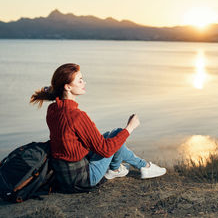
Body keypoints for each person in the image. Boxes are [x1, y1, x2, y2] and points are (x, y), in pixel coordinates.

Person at [30, 63, 166, 193]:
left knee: (110, 136)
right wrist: (130, 128)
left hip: (63, 177)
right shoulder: (76, 116)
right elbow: (105, 150)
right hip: (82, 180)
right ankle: (142, 167)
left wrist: (53, 89)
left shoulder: (53, 109)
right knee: (117, 135)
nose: (84, 83)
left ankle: (118, 169)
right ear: (68, 87)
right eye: (80, 80)